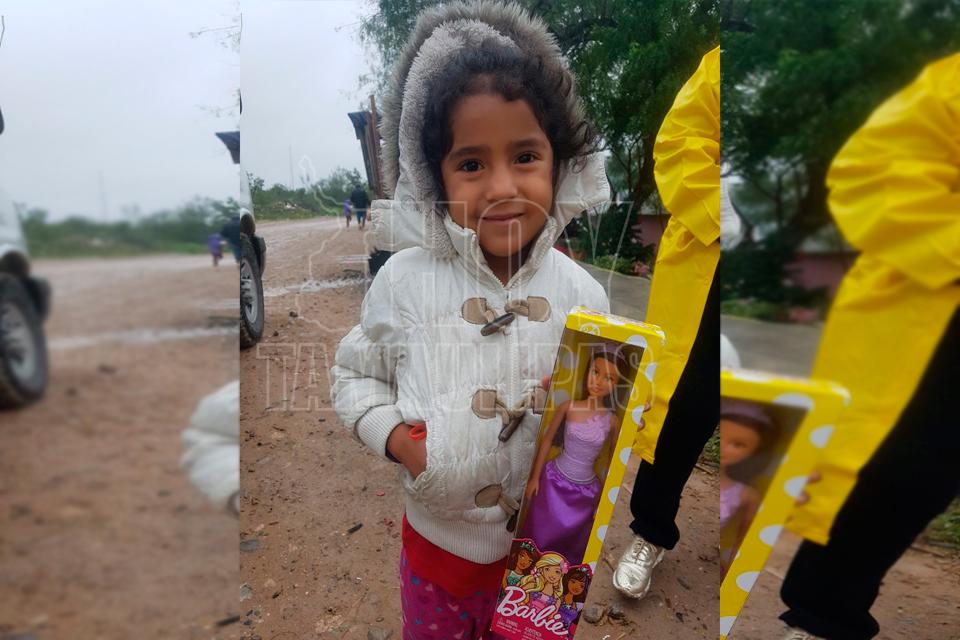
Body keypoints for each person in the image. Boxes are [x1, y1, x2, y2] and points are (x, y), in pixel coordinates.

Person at [329, 3, 610, 638]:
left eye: (526, 156)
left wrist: (587, 414)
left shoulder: (584, 297)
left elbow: (609, 407)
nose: (501, 186)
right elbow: (354, 376)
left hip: (543, 552)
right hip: (438, 553)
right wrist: (400, 442)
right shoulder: (404, 281)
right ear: (435, 176)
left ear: (560, 162)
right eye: (472, 164)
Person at [776, 53, 960, 640]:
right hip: (937, 304)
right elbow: (875, 167)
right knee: (890, 472)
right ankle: (819, 621)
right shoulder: (951, 87)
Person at [613, 45, 720, 600]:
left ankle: (761, 563)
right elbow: (680, 142)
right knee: (682, 408)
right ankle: (650, 530)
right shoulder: (728, 66)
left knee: (781, 422)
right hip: (716, 255)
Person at [521, 346, 626, 564]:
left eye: (609, 378)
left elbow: (614, 461)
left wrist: (603, 500)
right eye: (595, 372)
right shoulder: (568, 407)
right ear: (587, 371)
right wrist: (534, 478)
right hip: (552, 482)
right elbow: (547, 440)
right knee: (538, 534)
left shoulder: (613, 421)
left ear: (616, 385)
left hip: (585, 494)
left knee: (571, 545)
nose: (598, 381)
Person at [718, 401, 778, 576]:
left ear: (754, 451)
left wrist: (733, 570)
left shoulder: (746, 494)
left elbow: (745, 537)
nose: (723, 448)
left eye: (738, 444)